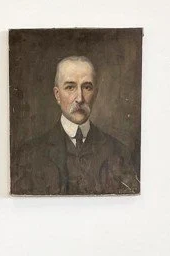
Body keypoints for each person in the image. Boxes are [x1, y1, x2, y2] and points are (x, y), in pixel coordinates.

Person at [12, 55, 139, 195]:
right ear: (57, 95)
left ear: (95, 93)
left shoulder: (120, 153)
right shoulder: (28, 156)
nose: (79, 98)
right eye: (70, 87)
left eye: (87, 87)